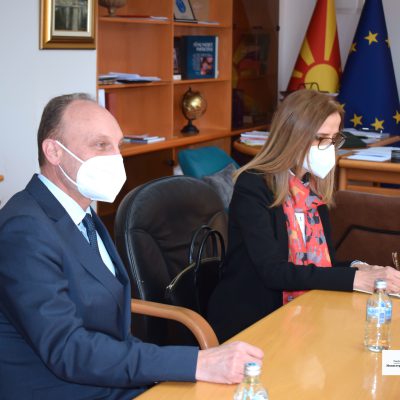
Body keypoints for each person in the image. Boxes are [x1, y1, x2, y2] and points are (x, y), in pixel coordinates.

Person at [0, 93, 263, 400]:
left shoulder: (81, 213)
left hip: (108, 375)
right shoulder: (24, 230)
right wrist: (195, 363)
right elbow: (68, 349)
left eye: (118, 145)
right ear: (54, 151)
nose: (116, 158)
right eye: (101, 145)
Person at [207, 89, 400, 342]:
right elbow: (274, 272)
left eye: (333, 139)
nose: (328, 148)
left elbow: (319, 268)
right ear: (293, 136)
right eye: (320, 138)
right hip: (251, 320)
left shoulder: (311, 189)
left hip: (303, 312)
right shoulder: (253, 185)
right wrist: (357, 279)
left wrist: (360, 267)